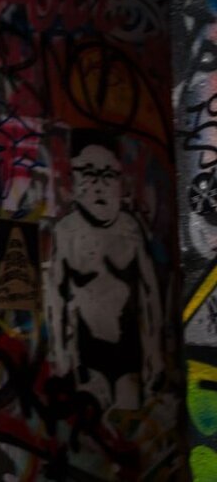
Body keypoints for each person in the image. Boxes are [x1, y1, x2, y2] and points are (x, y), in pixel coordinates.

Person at [46, 130, 164, 412]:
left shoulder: (130, 230)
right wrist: (61, 355)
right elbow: (55, 298)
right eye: (89, 173)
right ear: (74, 182)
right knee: (92, 430)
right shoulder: (66, 233)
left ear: (120, 182)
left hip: (127, 352)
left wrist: (155, 353)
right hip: (87, 354)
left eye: (108, 174)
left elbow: (150, 296)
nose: (99, 185)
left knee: (128, 423)